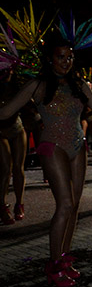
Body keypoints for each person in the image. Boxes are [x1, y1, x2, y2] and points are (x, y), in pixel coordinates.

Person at [0, 32, 92, 287]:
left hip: (77, 146)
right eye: (61, 57)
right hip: (53, 147)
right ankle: (53, 266)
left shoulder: (80, 84)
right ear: (50, 59)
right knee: (65, 205)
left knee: (75, 205)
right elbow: (6, 111)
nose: (67, 61)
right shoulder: (37, 85)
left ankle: (64, 258)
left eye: (70, 56)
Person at [0, 69, 27, 225]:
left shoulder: (19, 82)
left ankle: (19, 203)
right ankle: (2, 206)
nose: (8, 71)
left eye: (11, 68)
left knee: (18, 167)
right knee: (5, 169)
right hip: (0, 130)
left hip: (16, 127)